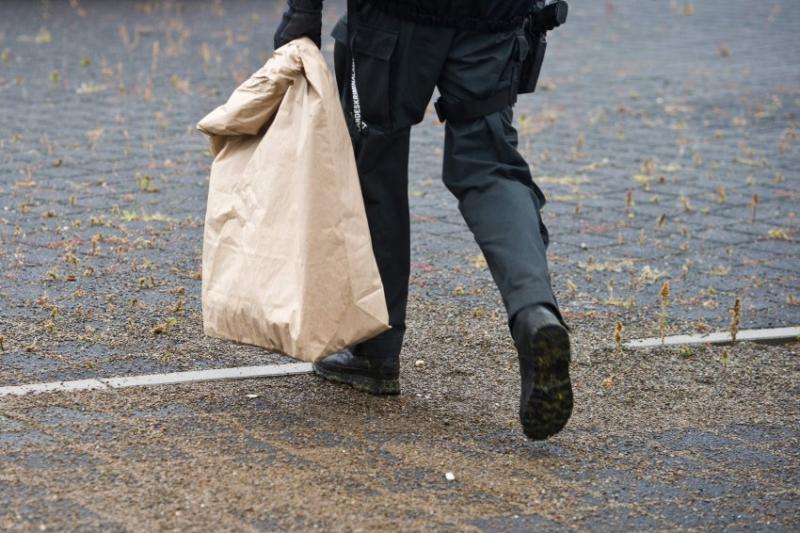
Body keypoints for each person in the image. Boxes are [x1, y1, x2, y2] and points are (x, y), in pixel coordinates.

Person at [274, 0, 573, 441]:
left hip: (392, 20)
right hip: (493, 17)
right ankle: (534, 314)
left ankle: (374, 346)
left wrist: (301, 17)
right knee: (491, 166)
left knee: (372, 163)